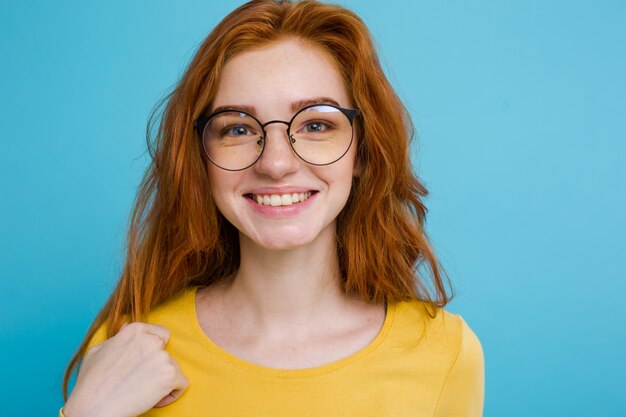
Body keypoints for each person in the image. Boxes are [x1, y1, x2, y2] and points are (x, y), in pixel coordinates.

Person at [61, 1, 484, 416]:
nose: (276, 164)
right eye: (238, 128)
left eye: (317, 124)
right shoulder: (129, 353)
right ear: (200, 160)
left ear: (363, 153)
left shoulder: (445, 353)